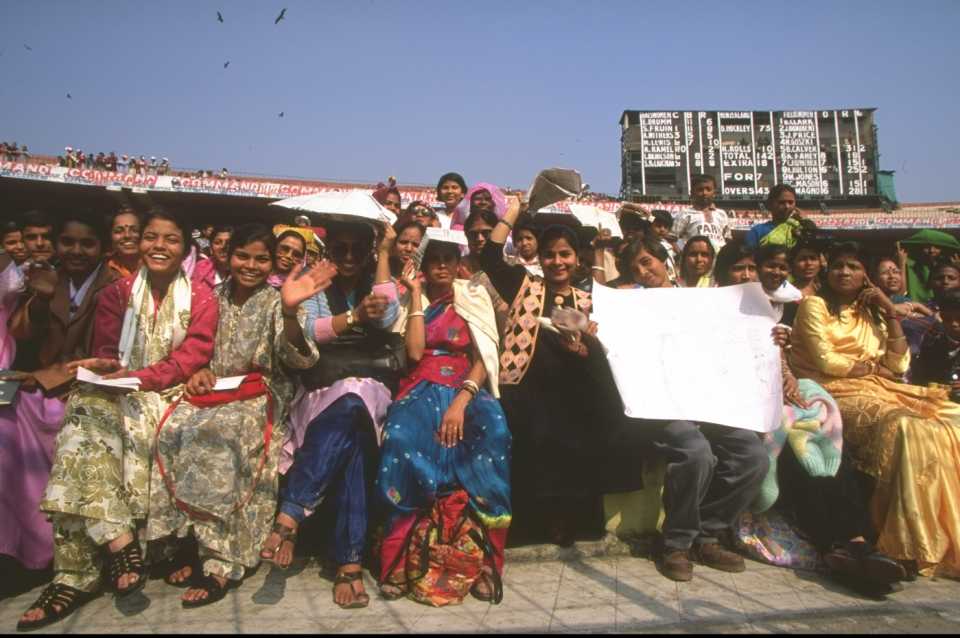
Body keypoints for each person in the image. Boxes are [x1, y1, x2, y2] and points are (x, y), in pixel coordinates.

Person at [18, 209, 218, 631]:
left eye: (170, 239)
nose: (158, 246)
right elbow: (111, 351)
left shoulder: (201, 296)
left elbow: (191, 357)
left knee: (85, 419)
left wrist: (139, 377)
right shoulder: (119, 291)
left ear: (185, 248)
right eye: (150, 237)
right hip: (123, 391)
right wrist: (103, 364)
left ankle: (78, 574)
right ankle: (116, 541)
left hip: (169, 395)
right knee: (85, 412)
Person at [146, 224, 333, 608]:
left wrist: (291, 311)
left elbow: (299, 356)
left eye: (261, 258)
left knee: (219, 439)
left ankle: (221, 560)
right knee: (169, 429)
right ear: (227, 257)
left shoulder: (276, 299)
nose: (250, 265)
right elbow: (193, 349)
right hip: (211, 391)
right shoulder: (210, 297)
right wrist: (197, 370)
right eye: (242, 256)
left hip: (259, 395)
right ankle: (185, 544)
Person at [716, 247, 905, 595]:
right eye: (737, 270)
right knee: (792, 457)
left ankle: (857, 543)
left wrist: (783, 367)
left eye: (749, 270)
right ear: (722, 274)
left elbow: (782, 370)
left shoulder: (769, 313)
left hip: (782, 403)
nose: (745, 276)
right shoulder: (711, 313)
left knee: (827, 453)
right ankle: (838, 545)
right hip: (738, 410)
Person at [788, 241, 960, 578]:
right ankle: (906, 542)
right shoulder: (814, 306)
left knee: (952, 419)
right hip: (832, 390)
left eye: (853, 266)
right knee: (909, 428)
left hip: (881, 388)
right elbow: (828, 361)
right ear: (827, 270)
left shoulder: (874, 311)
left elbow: (898, 362)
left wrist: (890, 311)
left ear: (865, 275)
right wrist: (871, 370)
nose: (845, 272)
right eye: (838, 265)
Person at [479, 197, 643, 547]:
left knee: (579, 432)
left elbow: (600, 359)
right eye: (550, 255)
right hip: (523, 390)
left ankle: (568, 522)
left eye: (565, 254)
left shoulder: (589, 301)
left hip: (573, 394)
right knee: (531, 434)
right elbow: (489, 257)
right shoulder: (524, 286)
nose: (557, 262)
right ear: (540, 258)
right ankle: (529, 527)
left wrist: (584, 349)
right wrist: (512, 213)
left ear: (576, 258)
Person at [262, 220, 399, 609]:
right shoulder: (312, 279)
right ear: (329, 251)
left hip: (370, 386)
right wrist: (354, 317)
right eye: (342, 249)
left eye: (360, 250)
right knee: (353, 431)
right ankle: (350, 563)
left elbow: (389, 319)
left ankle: (291, 515)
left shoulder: (379, 277)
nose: (351, 258)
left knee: (356, 400)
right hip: (324, 387)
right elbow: (309, 332)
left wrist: (385, 257)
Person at [378, 236, 509, 603]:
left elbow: (486, 353)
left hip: (466, 385)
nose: (440, 266)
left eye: (447, 258)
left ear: (457, 261)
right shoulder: (410, 296)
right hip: (420, 384)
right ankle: (399, 558)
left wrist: (463, 400)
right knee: (401, 438)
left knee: (494, 432)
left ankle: (486, 562)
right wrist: (416, 294)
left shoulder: (473, 295)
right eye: (432, 259)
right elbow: (416, 351)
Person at [1, 215, 119, 578]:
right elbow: (24, 336)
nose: (76, 251)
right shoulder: (47, 278)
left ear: (102, 248)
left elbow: (109, 354)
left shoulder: (115, 285)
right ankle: (19, 547)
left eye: (87, 244)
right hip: (45, 383)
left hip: (91, 385)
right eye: (68, 243)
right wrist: (42, 297)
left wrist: (48, 375)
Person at [461, 210, 510, 335]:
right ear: (466, 236)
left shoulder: (512, 268)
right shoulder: (456, 269)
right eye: (473, 234)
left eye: (486, 233)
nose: (479, 239)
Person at [912, 290, 960, 400]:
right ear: (941, 317)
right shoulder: (931, 345)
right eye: (948, 319)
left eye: (959, 319)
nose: (954, 324)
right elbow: (920, 379)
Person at [898, 229, 960, 304]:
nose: (931, 250)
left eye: (936, 247)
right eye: (927, 247)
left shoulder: (949, 268)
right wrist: (902, 265)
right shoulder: (911, 267)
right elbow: (900, 296)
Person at [673, 174, 731, 253]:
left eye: (708, 189)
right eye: (700, 190)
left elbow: (728, 239)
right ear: (692, 193)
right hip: (698, 257)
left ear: (714, 192)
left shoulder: (722, 214)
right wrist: (682, 255)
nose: (704, 193)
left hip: (719, 258)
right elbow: (671, 238)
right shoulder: (684, 214)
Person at [745, 184, 815, 249]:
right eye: (781, 202)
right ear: (770, 204)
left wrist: (806, 221)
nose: (787, 206)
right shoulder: (757, 231)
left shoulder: (803, 227)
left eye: (790, 202)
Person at [605, 236, 677, 289]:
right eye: (635, 270)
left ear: (663, 260)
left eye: (646, 262)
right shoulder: (627, 298)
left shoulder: (685, 293)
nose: (642, 272)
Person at [105, 208, 142, 278]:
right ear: (110, 237)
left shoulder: (156, 266)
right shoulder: (102, 269)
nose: (127, 235)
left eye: (134, 230)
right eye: (119, 231)